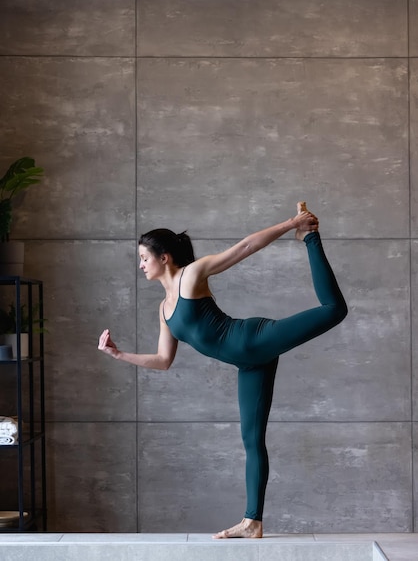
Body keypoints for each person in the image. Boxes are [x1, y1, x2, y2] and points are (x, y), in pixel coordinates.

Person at [98, 202, 347, 538]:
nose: (141, 265)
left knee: (333, 309)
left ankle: (309, 238)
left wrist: (293, 223)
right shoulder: (164, 309)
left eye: (144, 257)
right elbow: (163, 361)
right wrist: (119, 354)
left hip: (254, 338)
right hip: (248, 363)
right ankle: (252, 522)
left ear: (165, 257)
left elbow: (244, 247)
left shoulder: (191, 275)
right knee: (252, 440)